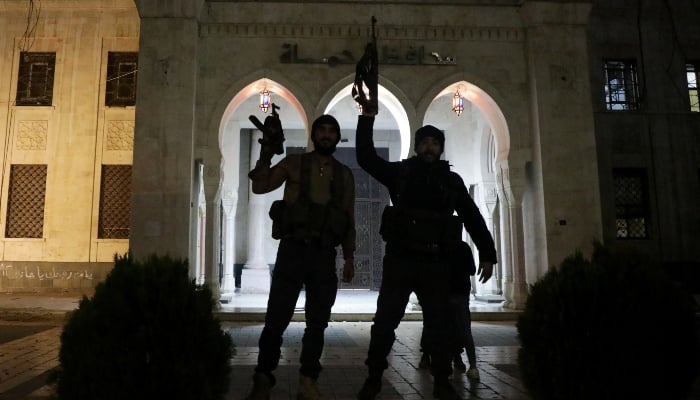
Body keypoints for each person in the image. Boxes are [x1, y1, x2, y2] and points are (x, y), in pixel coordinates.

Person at [354, 113, 498, 400]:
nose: (430, 148)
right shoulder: (401, 173)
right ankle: (373, 377)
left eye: (435, 143)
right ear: (417, 146)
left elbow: (472, 217)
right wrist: (366, 118)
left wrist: (488, 253)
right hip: (401, 261)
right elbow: (367, 158)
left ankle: (442, 381)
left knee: (440, 325)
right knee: (385, 322)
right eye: (425, 143)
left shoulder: (451, 181)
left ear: (441, 148)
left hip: (436, 263)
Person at [244, 114, 356, 400]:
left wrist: (350, 257)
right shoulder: (294, 163)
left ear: (337, 136)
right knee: (276, 319)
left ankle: (308, 380)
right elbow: (260, 185)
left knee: (317, 323)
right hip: (293, 251)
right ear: (314, 135)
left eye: (332, 131)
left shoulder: (344, 175)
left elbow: (347, 218)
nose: (326, 135)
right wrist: (266, 151)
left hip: (323, 255)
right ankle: (263, 376)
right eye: (322, 130)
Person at [419, 241, 481, 381]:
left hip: (441, 294)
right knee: (463, 329)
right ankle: (470, 364)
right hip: (459, 293)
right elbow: (472, 269)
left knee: (435, 326)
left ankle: (430, 358)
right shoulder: (463, 247)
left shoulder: (437, 246)